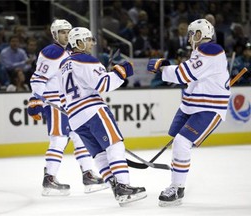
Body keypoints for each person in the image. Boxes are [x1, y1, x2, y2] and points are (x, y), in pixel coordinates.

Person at [58, 27, 147, 206]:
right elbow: (104, 84)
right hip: (93, 111)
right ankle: (123, 186)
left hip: (74, 118)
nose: (91, 43)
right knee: (114, 144)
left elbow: (62, 99)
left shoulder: (62, 66)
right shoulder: (87, 60)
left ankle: (115, 187)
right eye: (88, 39)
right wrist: (121, 72)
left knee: (99, 154)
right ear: (79, 42)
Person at [147, 19, 231, 206]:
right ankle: (178, 176)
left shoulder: (211, 50)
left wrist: (161, 69)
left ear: (201, 35)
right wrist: (168, 68)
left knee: (181, 142)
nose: (192, 37)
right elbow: (189, 75)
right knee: (177, 141)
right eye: (192, 33)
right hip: (190, 106)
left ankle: (177, 188)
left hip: (208, 108)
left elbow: (184, 74)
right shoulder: (198, 52)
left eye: (195, 33)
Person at [27, 19, 107, 196]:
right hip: (54, 101)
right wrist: (36, 99)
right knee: (59, 138)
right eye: (62, 32)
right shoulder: (52, 51)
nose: (66, 34)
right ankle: (49, 178)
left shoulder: (70, 52)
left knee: (80, 137)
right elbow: (38, 77)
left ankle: (88, 175)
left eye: (68, 31)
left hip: (68, 103)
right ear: (55, 34)